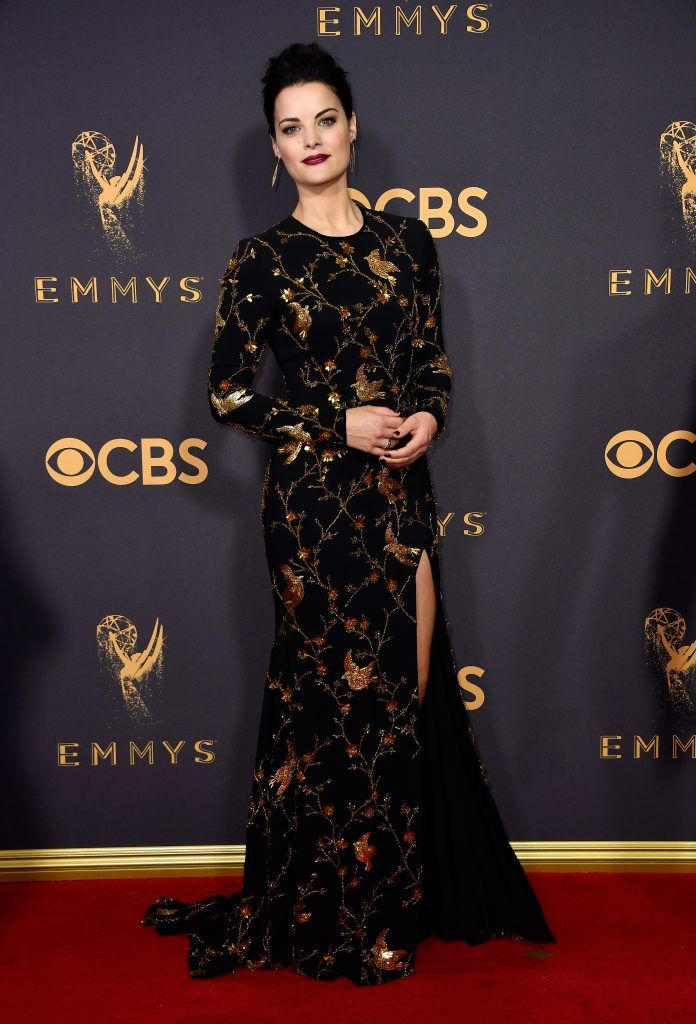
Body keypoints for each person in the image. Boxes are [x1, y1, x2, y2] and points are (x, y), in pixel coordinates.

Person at [140, 40, 555, 987]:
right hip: (312, 515)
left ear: (354, 127)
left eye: (325, 118)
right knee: (329, 711)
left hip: (399, 502)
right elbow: (228, 397)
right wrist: (335, 419)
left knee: (399, 712)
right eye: (291, 127)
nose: (311, 139)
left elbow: (435, 364)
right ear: (275, 150)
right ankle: (336, 904)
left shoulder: (409, 241)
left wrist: (426, 416)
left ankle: (393, 900)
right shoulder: (261, 260)